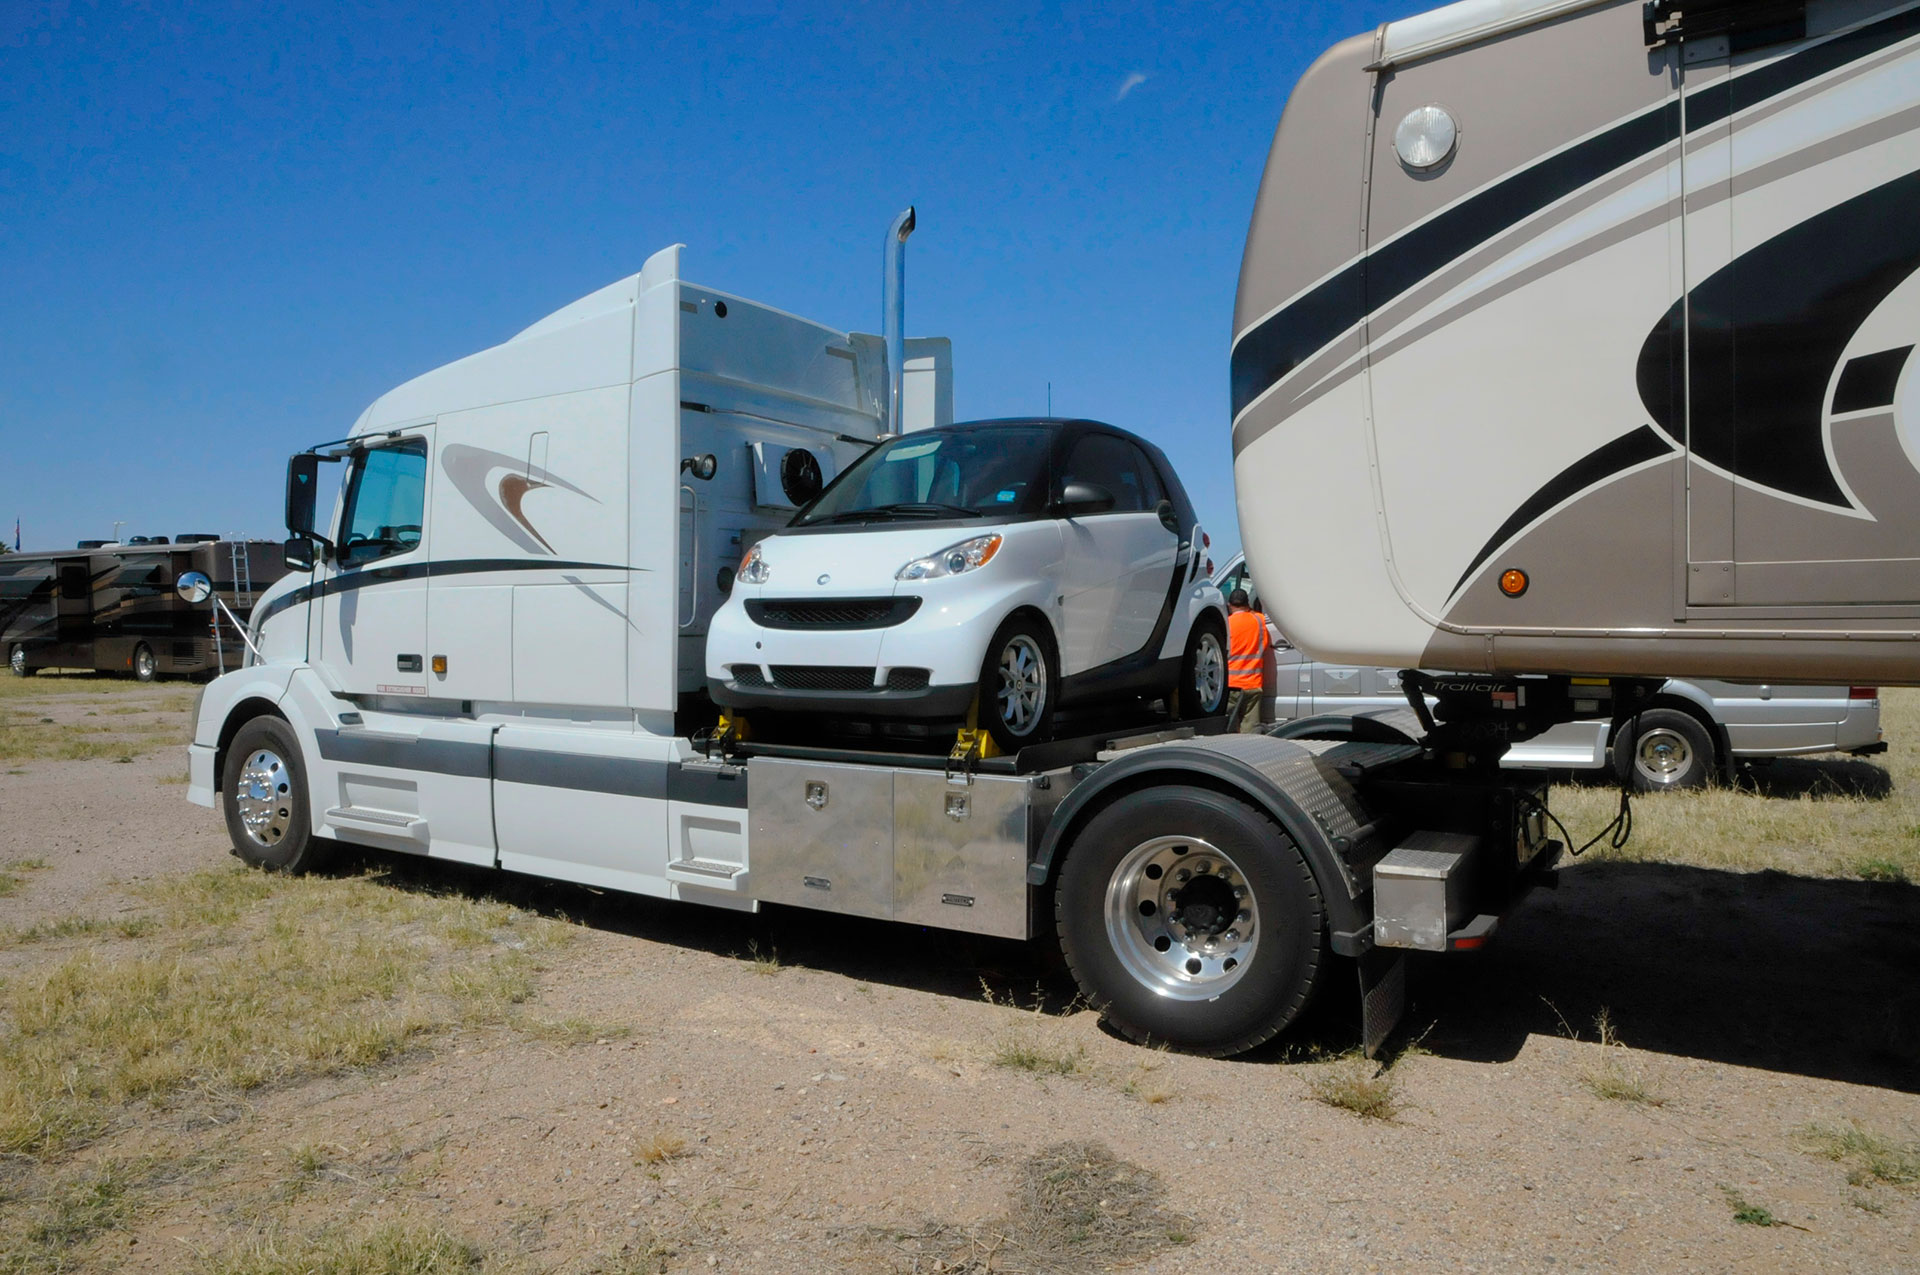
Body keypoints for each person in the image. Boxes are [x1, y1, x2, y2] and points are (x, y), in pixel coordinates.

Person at [1225, 588, 1277, 733]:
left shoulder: (1226, 624)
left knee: (1228, 730)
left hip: (1231, 686)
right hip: (1253, 684)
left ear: (1229, 605)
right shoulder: (1259, 621)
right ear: (1247, 604)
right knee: (1250, 731)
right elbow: (1265, 644)